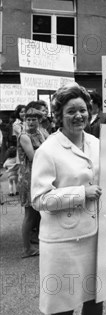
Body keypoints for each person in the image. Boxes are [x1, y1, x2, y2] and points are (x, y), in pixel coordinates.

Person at [31, 83, 103, 315]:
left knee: (95, 299)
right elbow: (39, 199)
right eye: (71, 111)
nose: (79, 116)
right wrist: (80, 193)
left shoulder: (95, 143)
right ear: (59, 116)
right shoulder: (48, 150)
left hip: (95, 237)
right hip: (63, 243)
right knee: (62, 308)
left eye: (83, 110)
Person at [17, 106, 47, 258]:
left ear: (39, 120)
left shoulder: (40, 132)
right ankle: (26, 249)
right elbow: (32, 156)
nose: (30, 122)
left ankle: (34, 239)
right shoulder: (24, 136)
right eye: (28, 119)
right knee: (29, 215)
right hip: (28, 178)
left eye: (33, 119)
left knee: (37, 213)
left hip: (38, 175)